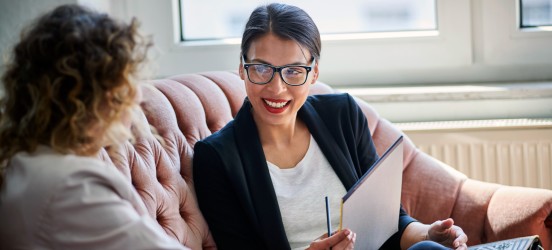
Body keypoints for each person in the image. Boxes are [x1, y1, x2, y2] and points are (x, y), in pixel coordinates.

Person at [193, 3, 468, 250]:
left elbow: (388, 223)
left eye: (293, 71)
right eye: (261, 68)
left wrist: (426, 234)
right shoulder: (216, 158)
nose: (276, 88)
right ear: (242, 68)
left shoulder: (343, 115)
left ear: (314, 73)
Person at [0, 4, 188, 249]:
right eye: (126, 81)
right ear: (92, 97)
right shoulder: (71, 187)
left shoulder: (26, 162)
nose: (136, 96)